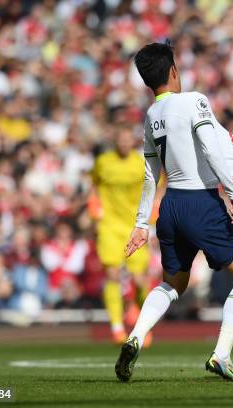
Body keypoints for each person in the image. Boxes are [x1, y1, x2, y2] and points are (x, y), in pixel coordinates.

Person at [115, 42, 233, 382]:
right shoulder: (194, 100)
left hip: (170, 207)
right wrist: (232, 192)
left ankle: (135, 335)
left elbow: (151, 174)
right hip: (200, 202)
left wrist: (142, 224)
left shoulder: (151, 116)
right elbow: (213, 150)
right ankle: (221, 355)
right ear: (173, 71)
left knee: (173, 283)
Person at [90, 127, 152, 345]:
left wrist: (153, 213)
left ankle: (143, 323)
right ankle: (117, 328)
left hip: (135, 226)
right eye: (121, 139)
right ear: (115, 140)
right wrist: (94, 207)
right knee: (112, 275)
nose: (125, 143)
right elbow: (94, 185)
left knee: (138, 279)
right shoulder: (103, 162)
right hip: (109, 226)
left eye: (128, 139)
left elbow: (158, 185)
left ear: (132, 142)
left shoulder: (141, 162)